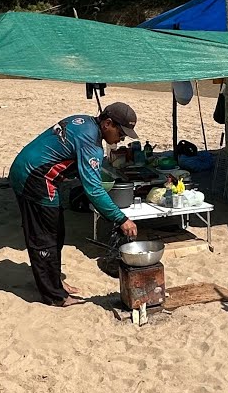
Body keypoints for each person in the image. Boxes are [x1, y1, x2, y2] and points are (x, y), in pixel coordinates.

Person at [8, 102, 140, 306]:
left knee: (56, 231)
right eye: (121, 132)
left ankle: (54, 283)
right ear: (107, 123)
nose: (122, 139)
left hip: (31, 170)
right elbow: (94, 190)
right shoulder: (91, 144)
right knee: (45, 237)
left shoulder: (85, 121)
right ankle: (54, 296)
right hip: (34, 177)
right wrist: (121, 219)